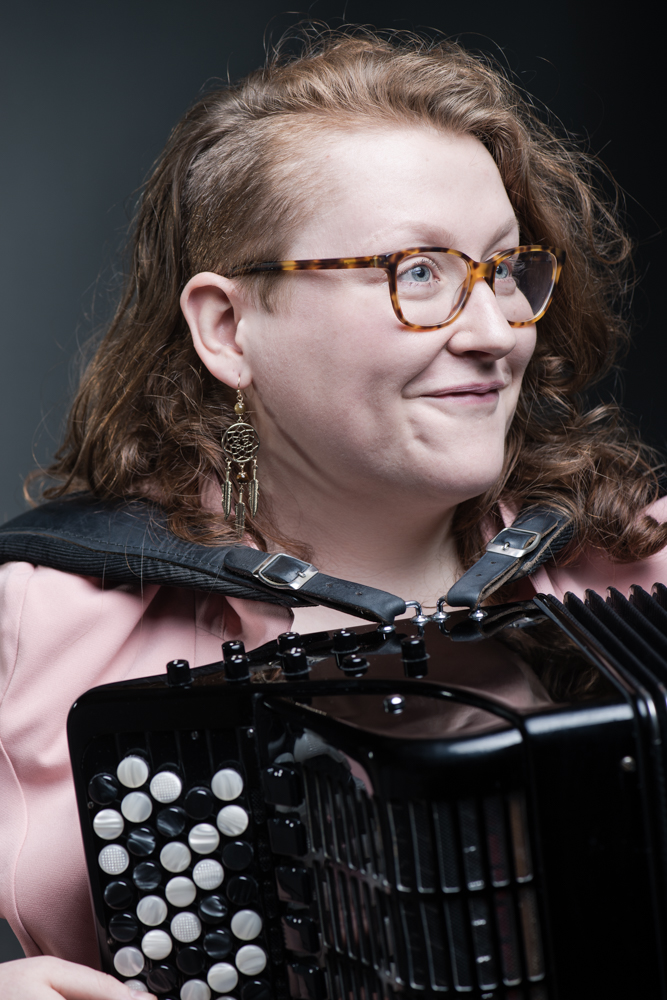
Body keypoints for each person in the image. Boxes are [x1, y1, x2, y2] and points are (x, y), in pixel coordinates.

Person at [1, 26, 666, 1000]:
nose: (495, 333)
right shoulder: (39, 623)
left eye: (502, 270)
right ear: (229, 328)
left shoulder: (641, 566)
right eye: (418, 273)